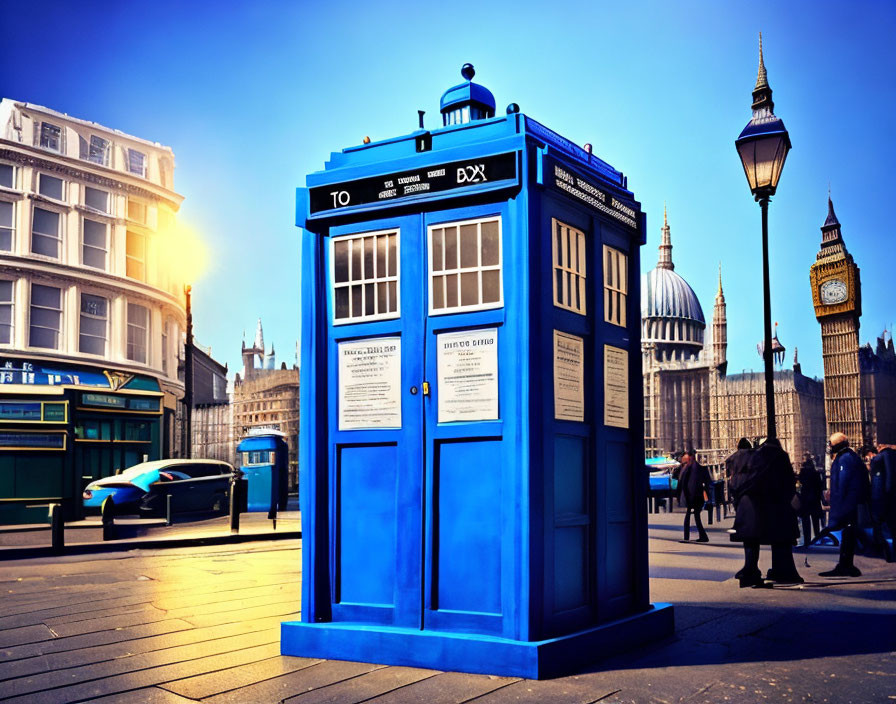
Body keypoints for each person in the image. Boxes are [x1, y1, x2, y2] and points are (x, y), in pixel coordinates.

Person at [729, 437, 803, 587]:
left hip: (747, 505)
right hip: (771, 506)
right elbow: (787, 483)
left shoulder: (744, 460)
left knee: (751, 539)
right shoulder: (778, 456)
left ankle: (750, 570)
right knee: (780, 538)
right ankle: (781, 571)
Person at [821, 432, 871, 577]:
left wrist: (837, 498)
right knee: (848, 532)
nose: (829, 446)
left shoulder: (845, 459)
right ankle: (845, 564)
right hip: (850, 502)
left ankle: (846, 564)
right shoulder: (848, 457)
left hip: (848, 503)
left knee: (849, 532)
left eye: (831, 443)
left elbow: (843, 481)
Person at [869, 444, 896, 562]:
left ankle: (884, 550)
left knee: (879, 524)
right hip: (891, 498)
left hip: (881, 498)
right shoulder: (892, 457)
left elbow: (878, 481)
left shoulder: (879, 459)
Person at [678, 449, 711, 543]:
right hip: (694, 497)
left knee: (691, 516)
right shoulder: (692, 466)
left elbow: (692, 484)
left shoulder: (693, 467)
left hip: (694, 497)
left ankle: (689, 537)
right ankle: (702, 536)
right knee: (695, 517)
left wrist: (690, 498)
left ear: (690, 457)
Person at [797, 452, 824, 547]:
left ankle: (807, 539)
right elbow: (820, 486)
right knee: (815, 519)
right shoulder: (816, 473)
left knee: (805, 520)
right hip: (815, 498)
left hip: (805, 497)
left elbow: (800, 482)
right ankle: (817, 537)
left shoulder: (803, 471)